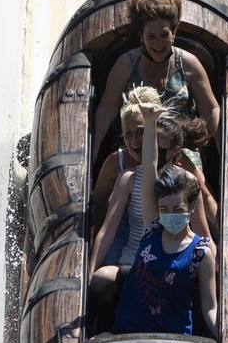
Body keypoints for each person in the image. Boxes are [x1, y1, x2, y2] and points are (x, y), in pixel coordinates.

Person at [93, 101, 218, 337]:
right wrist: (149, 122)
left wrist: (225, 336)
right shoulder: (153, 229)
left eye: (177, 208)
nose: (169, 215)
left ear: (190, 208)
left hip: (173, 337)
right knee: (103, 281)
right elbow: (150, 164)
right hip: (130, 329)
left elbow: (211, 308)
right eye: (165, 209)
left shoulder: (201, 253)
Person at [91, 0, 220, 157]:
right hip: (136, 148)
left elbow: (211, 109)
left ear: (174, 33)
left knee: (194, 181)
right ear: (141, 36)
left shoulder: (189, 64)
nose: (158, 43)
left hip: (178, 150)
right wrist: (93, 150)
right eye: (151, 36)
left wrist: (224, 153)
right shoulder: (126, 64)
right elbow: (106, 112)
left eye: (164, 35)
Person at [90, 87, 219, 239]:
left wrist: (221, 233)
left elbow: (206, 198)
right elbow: (97, 209)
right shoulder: (116, 163)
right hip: (127, 233)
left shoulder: (177, 159)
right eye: (128, 134)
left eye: (141, 132)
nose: (134, 142)